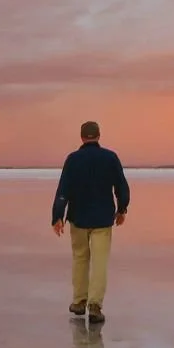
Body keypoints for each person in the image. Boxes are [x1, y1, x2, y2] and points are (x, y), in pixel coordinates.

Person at [51, 121, 130, 325]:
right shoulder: (110, 158)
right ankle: (94, 305)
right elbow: (121, 187)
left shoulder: (73, 160)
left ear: (82, 137)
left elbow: (63, 190)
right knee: (99, 262)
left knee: (80, 258)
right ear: (98, 135)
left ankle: (79, 301)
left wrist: (57, 216)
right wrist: (122, 209)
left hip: (78, 217)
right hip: (103, 218)